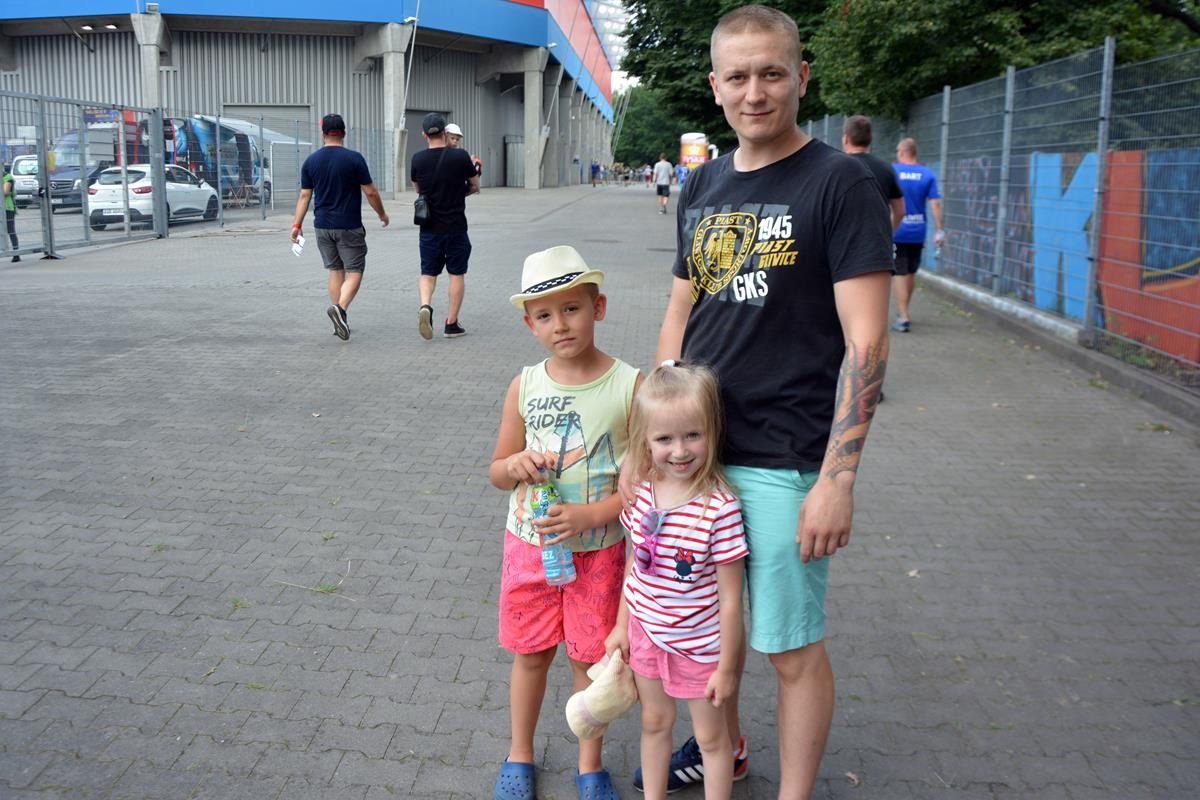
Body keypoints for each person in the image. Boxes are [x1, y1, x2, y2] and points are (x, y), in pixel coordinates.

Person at [636, 6, 893, 798]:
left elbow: (867, 342)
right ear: (716, 85)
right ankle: (730, 748)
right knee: (704, 628)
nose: (756, 92)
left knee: (788, 647)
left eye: (772, 73)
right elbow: (681, 311)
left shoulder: (840, 183)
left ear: (801, 77)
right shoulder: (703, 182)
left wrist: (838, 479)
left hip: (785, 458)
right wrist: (652, 442)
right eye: (739, 76)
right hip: (697, 457)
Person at [489, 245, 641, 800]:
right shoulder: (525, 385)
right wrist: (515, 466)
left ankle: (589, 764)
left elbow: (642, 490)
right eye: (545, 315)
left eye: (572, 309)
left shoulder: (629, 386)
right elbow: (496, 470)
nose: (561, 325)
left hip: (600, 553)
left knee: (589, 661)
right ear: (529, 325)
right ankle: (519, 754)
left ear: (598, 307)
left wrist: (591, 515)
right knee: (530, 656)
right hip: (530, 550)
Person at [606, 362, 748, 800]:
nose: (680, 450)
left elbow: (731, 600)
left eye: (692, 435)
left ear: (712, 431)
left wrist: (727, 667)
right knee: (654, 722)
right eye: (665, 439)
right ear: (645, 442)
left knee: (711, 740)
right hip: (647, 635)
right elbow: (635, 565)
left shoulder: (720, 509)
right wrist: (621, 625)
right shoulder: (642, 492)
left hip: (700, 649)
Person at [290, 113, 389, 341]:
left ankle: (339, 322)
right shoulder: (354, 159)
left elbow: (305, 195)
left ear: (323, 133)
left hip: (322, 226)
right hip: (348, 226)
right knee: (355, 271)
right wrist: (382, 214)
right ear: (343, 133)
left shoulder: (311, 161)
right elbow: (371, 191)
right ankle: (340, 309)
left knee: (335, 270)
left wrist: (297, 224)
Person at [411, 112, 480, 340]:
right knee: (456, 274)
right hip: (456, 227)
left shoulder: (417, 159)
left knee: (428, 273)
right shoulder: (460, 157)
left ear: (424, 135)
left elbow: (418, 190)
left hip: (429, 228)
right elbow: (475, 186)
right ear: (445, 132)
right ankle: (451, 324)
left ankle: (425, 305)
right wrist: (464, 185)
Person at [891, 136, 944, 332]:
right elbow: (935, 204)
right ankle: (904, 311)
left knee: (900, 272)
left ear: (902, 152)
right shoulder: (927, 174)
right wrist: (939, 229)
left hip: (898, 229)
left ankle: (903, 317)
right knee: (911, 272)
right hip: (918, 230)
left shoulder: (894, 171)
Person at [841, 116, 904, 233]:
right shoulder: (886, 168)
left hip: (844, 238)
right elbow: (900, 211)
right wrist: (887, 233)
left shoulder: (836, 169)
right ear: (871, 138)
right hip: (876, 239)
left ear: (846, 139)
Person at [2, 162, 18, 263]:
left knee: (10, 230)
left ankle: (16, 253)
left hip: (7, 208)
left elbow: (5, 192)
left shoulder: (7, 177)